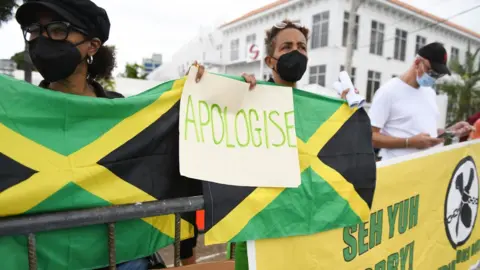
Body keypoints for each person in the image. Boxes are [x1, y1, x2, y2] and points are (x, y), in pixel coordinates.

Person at [14, 1, 255, 269]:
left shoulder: (125, 115)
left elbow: (169, 170)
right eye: (34, 30)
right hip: (39, 260)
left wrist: (236, 96)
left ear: (92, 46)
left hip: (121, 258)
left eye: (57, 29)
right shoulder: (11, 117)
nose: (41, 39)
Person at [368, 42, 473, 160]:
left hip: (426, 169)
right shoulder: (388, 91)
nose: (434, 77)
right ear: (417, 63)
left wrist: (450, 132)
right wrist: (409, 142)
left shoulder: (429, 93)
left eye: (438, 75)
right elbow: (370, 137)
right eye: (431, 72)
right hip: (400, 170)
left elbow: (426, 136)